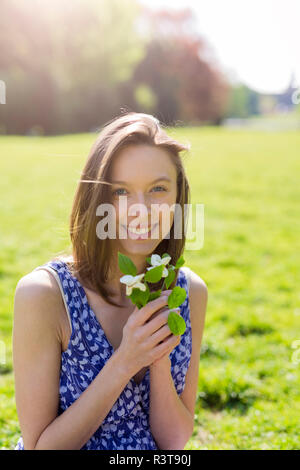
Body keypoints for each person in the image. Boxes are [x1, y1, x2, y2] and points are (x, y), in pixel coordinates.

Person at [12, 112, 208, 450]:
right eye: (120, 192)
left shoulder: (188, 293)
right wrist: (126, 361)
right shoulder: (45, 295)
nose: (141, 209)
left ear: (178, 197)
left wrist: (157, 355)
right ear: (97, 199)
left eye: (158, 189)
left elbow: (174, 441)